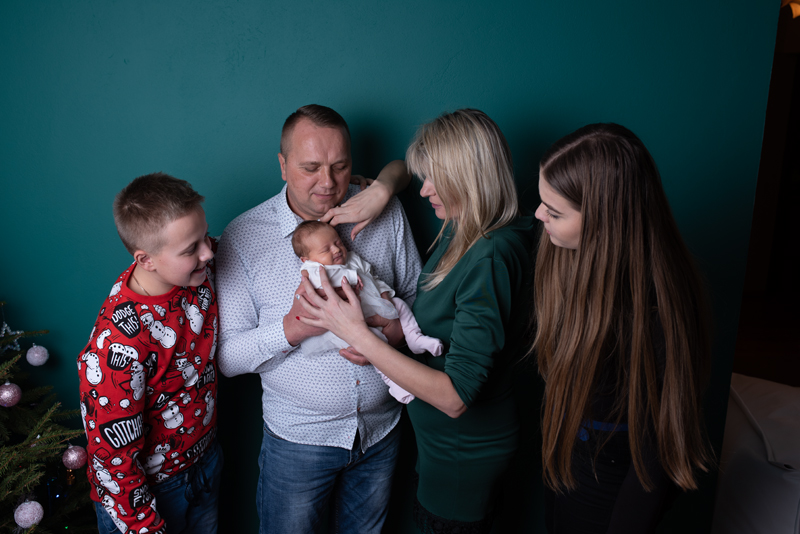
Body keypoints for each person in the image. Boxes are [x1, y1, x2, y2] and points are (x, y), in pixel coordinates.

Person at [297, 109, 536, 533]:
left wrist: (358, 335)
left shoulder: (492, 254)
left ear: (468, 178)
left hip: (463, 456)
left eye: (435, 179)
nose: (424, 190)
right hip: (440, 449)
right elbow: (403, 172)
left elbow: (456, 397)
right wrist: (383, 189)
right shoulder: (461, 225)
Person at [215, 104, 421, 534]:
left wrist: (390, 336)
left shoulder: (384, 210)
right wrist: (292, 329)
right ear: (283, 165)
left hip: (383, 433)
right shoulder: (244, 236)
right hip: (298, 442)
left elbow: (417, 299)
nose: (327, 183)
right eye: (310, 168)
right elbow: (228, 357)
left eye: (340, 166)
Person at [531, 123, 713, 533]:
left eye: (554, 212)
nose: (539, 215)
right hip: (564, 458)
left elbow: (657, 455)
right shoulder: (566, 253)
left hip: (616, 483)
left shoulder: (658, 311)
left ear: (604, 221)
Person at [77, 172, 222, 534]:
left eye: (205, 236)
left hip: (205, 463)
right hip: (147, 497)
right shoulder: (117, 346)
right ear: (146, 260)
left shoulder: (195, 270)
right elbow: (112, 460)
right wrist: (146, 525)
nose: (207, 252)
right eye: (191, 249)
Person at [292, 220, 443, 402]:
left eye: (338, 242)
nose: (336, 249)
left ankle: (414, 338)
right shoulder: (311, 270)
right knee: (372, 341)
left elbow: (373, 278)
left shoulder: (352, 259)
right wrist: (351, 275)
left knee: (400, 305)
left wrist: (385, 296)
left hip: (372, 307)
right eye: (326, 250)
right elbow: (323, 281)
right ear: (306, 259)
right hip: (346, 324)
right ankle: (392, 379)